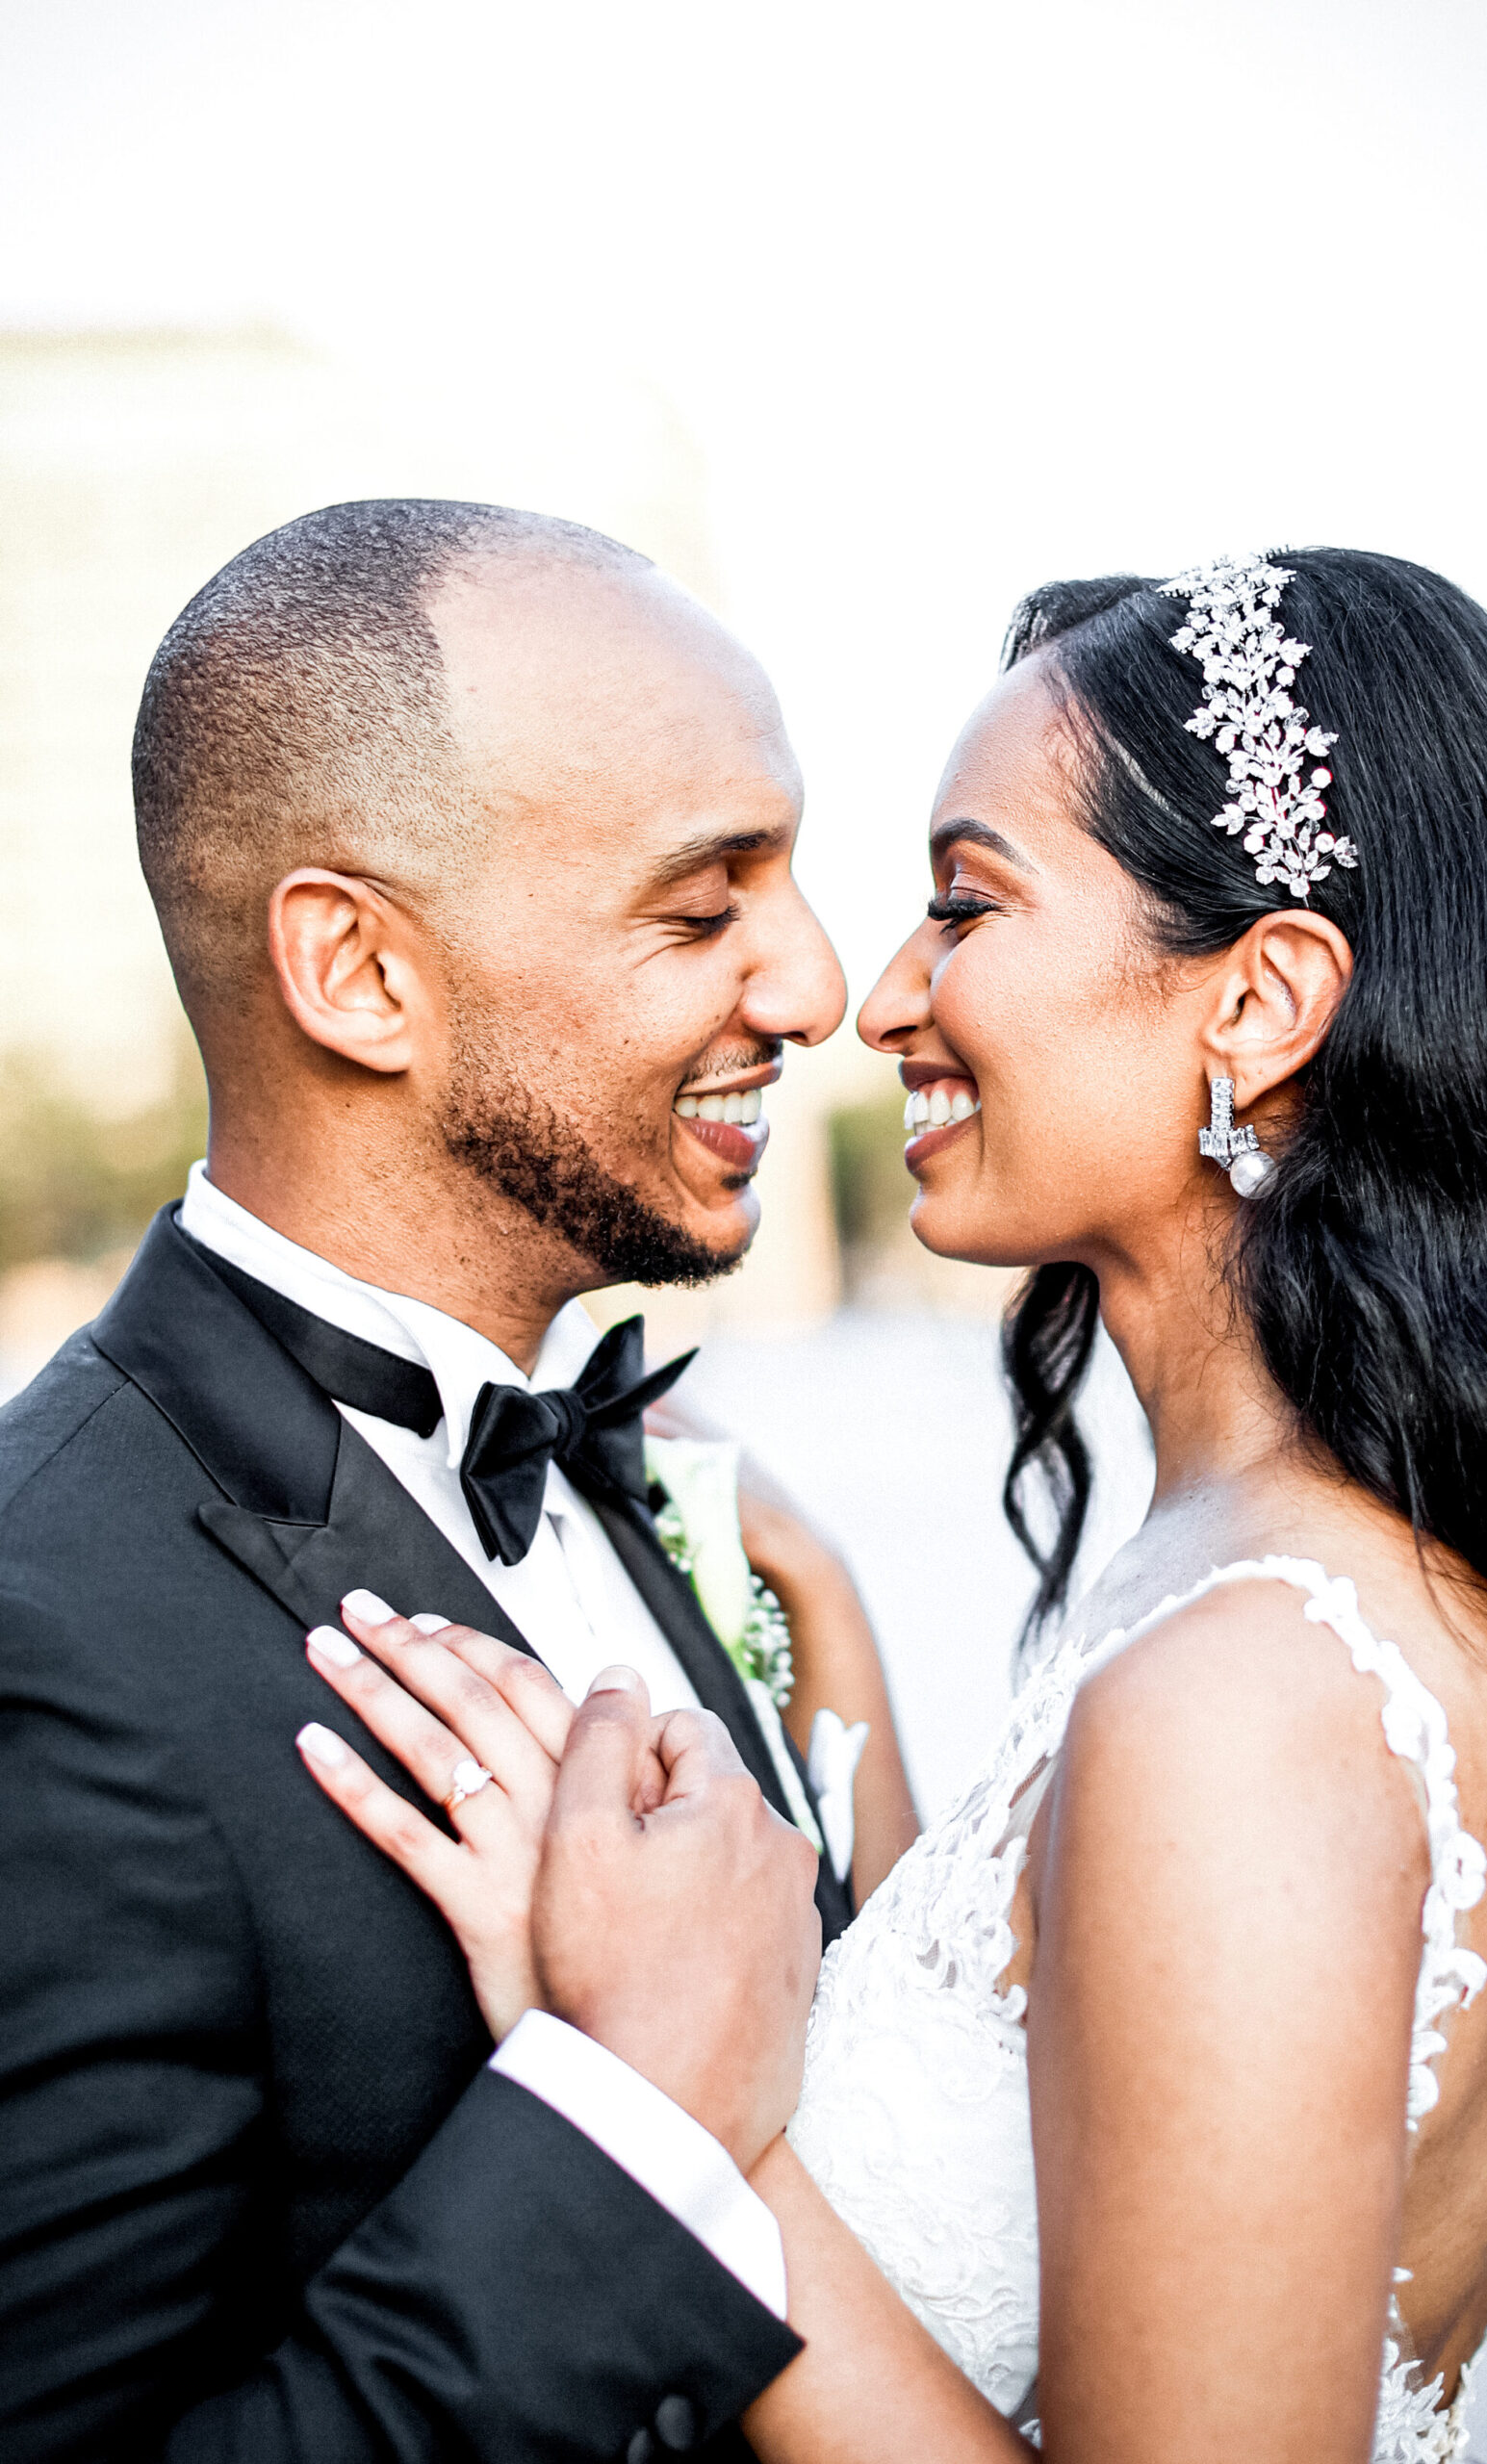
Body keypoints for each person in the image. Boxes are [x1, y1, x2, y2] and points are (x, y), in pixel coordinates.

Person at [335, 550, 1487, 2461]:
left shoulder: (1250, 1689)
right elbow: (1061, 2095)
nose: (878, 999)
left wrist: (677, 2108)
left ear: (1262, 997)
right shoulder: (1320, 1573)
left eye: (964, 903)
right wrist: (832, 1646)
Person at [0, 500, 917, 2461]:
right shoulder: (44, 1631)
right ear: (357, 970)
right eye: (705, 902)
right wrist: (633, 2114)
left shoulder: (654, 1464)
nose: (817, 985)